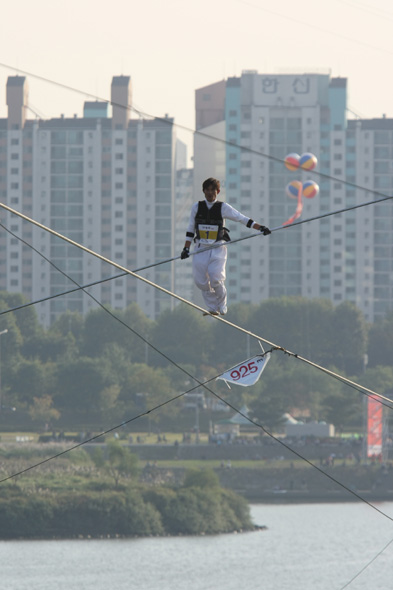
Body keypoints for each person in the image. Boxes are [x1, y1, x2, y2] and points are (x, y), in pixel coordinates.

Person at [181, 177, 271, 315]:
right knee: (200, 282)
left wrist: (260, 228)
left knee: (216, 279)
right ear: (203, 191)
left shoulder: (223, 207)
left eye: (213, 190)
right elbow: (190, 229)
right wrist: (186, 248)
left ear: (218, 191)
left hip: (217, 248)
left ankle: (222, 304)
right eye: (207, 190)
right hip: (200, 248)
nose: (210, 193)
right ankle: (212, 307)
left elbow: (242, 218)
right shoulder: (196, 207)